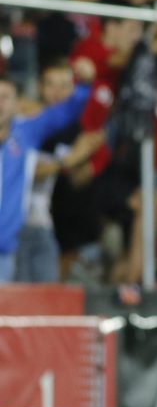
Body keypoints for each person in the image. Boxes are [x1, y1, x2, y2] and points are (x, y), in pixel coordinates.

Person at [0, 58, 94, 281]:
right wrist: (65, 162)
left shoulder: (25, 132)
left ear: (16, 103)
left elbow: (66, 112)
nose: (0, 104)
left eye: (5, 98)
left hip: (7, 249)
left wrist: (85, 83)